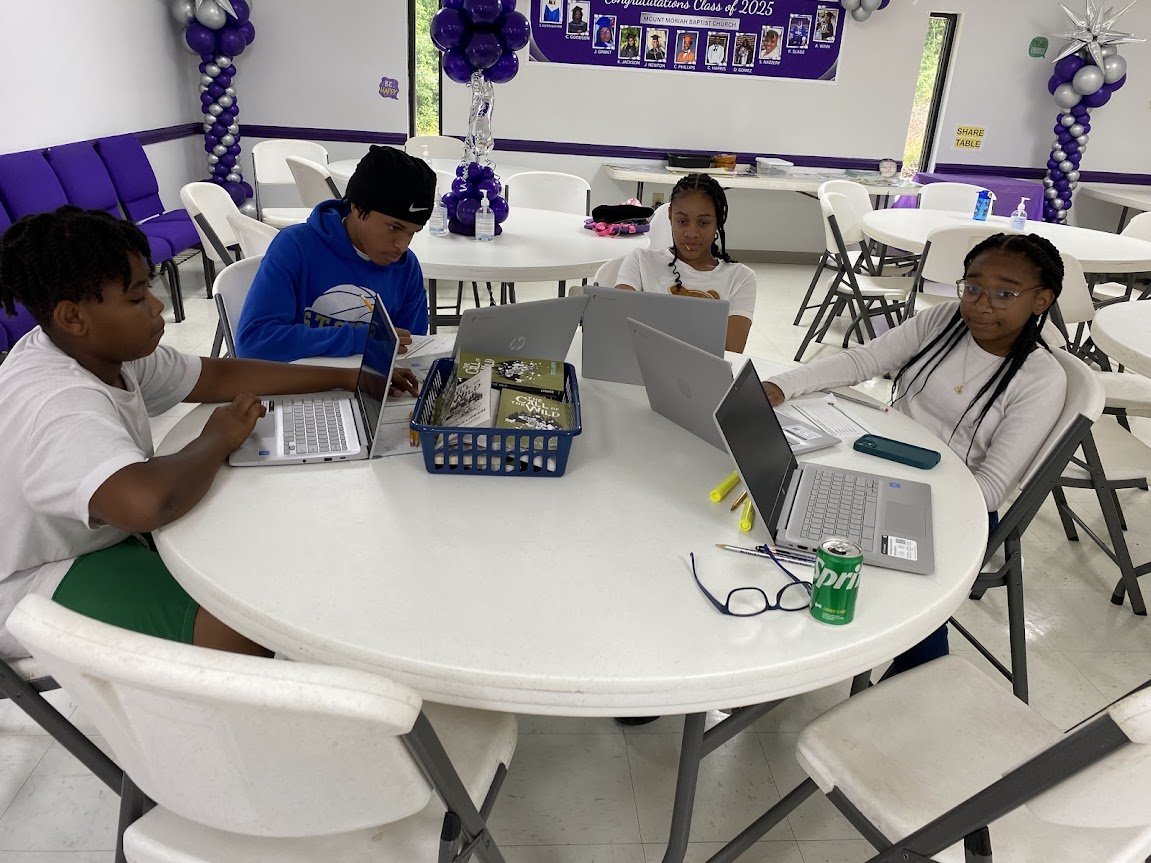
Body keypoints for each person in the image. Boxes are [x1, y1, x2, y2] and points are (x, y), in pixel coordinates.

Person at [0, 207, 417, 661]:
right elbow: (147, 503)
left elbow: (214, 376)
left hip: (93, 538)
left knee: (256, 559)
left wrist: (348, 379)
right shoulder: (57, 403)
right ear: (73, 316)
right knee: (243, 629)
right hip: (33, 580)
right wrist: (216, 439)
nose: (157, 306)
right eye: (138, 298)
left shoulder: (98, 350)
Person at [763, 233, 1068, 675]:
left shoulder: (1040, 379)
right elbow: (862, 361)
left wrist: (896, 500)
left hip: (959, 508)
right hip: (888, 463)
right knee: (790, 518)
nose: (982, 304)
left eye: (1005, 293)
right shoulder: (944, 321)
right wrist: (783, 385)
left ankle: (914, 690)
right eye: (973, 286)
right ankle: (784, 657)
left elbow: (989, 491)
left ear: (1041, 301)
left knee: (896, 592)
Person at [235, 145, 435, 362]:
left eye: (412, 233)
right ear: (357, 207)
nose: (402, 245)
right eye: (394, 228)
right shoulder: (296, 246)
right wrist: (360, 339)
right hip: (299, 387)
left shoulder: (406, 267)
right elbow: (253, 343)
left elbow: (411, 350)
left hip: (369, 390)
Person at [615, 173, 756, 352]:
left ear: (718, 221)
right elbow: (618, 326)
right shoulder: (640, 261)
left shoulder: (741, 278)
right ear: (670, 216)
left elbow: (731, 351)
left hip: (703, 375)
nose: (691, 233)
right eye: (682, 221)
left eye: (703, 223)